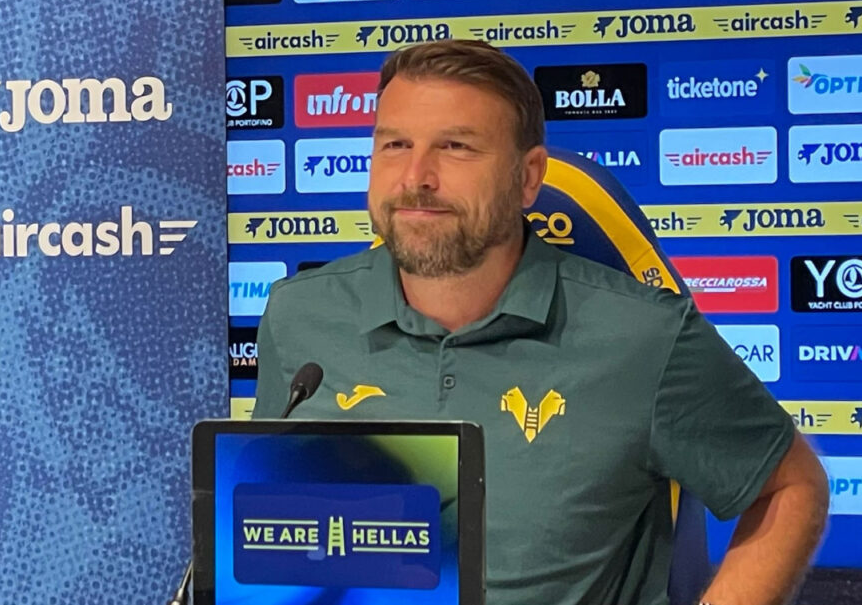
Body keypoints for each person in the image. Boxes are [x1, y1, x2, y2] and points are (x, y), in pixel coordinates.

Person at [252, 39, 829, 605]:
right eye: (395, 144)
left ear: (528, 178)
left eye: (456, 147)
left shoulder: (643, 336)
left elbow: (791, 486)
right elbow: (276, 531)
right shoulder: (299, 317)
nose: (415, 177)